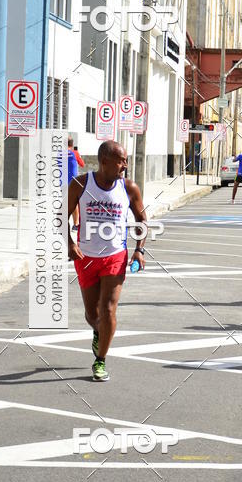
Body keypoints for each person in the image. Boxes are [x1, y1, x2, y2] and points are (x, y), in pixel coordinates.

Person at [68, 140, 146, 382]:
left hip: (115, 257)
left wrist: (139, 250)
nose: (125, 165)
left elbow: (142, 220)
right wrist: (69, 243)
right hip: (86, 257)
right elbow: (60, 215)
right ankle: (97, 331)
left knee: (109, 309)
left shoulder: (129, 188)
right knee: (92, 314)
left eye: (125, 160)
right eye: (121, 160)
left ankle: (100, 361)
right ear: (104, 162)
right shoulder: (81, 183)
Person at [68, 138, 80, 230]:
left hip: (63, 180)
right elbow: (82, 164)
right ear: (72, 144)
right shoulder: (74, 153)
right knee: (75, 203)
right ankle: (76, 224)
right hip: (74, 181)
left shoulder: (60, 153)